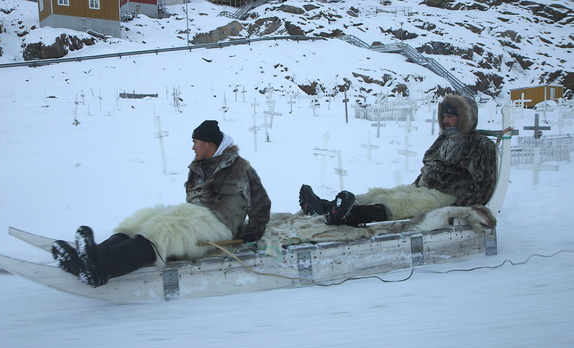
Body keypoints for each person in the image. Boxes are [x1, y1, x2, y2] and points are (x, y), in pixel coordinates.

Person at [52, 120, 271, 287]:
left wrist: (253, 233)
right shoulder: (198, 166)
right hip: (196, 217)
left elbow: (261, 203)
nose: (193, 148)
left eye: (195, 142)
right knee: (143, 220)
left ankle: (102, 269)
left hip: (220, 227)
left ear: (209, 144)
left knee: (165, 231)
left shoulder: (240, 168)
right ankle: (92, 257)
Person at [299, 93, 498, 227]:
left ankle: (349, 215)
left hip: (447, 196)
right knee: (381, 194)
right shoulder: (445, 139)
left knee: (398, 205)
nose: (445, 120)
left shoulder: (480, 145)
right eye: (443, 116)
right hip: (424, 189)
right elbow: (428, 169)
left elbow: (483, 185)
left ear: (464, 118)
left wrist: (456, 210)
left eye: (450, 117)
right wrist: (414, 186)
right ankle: (325, 207)